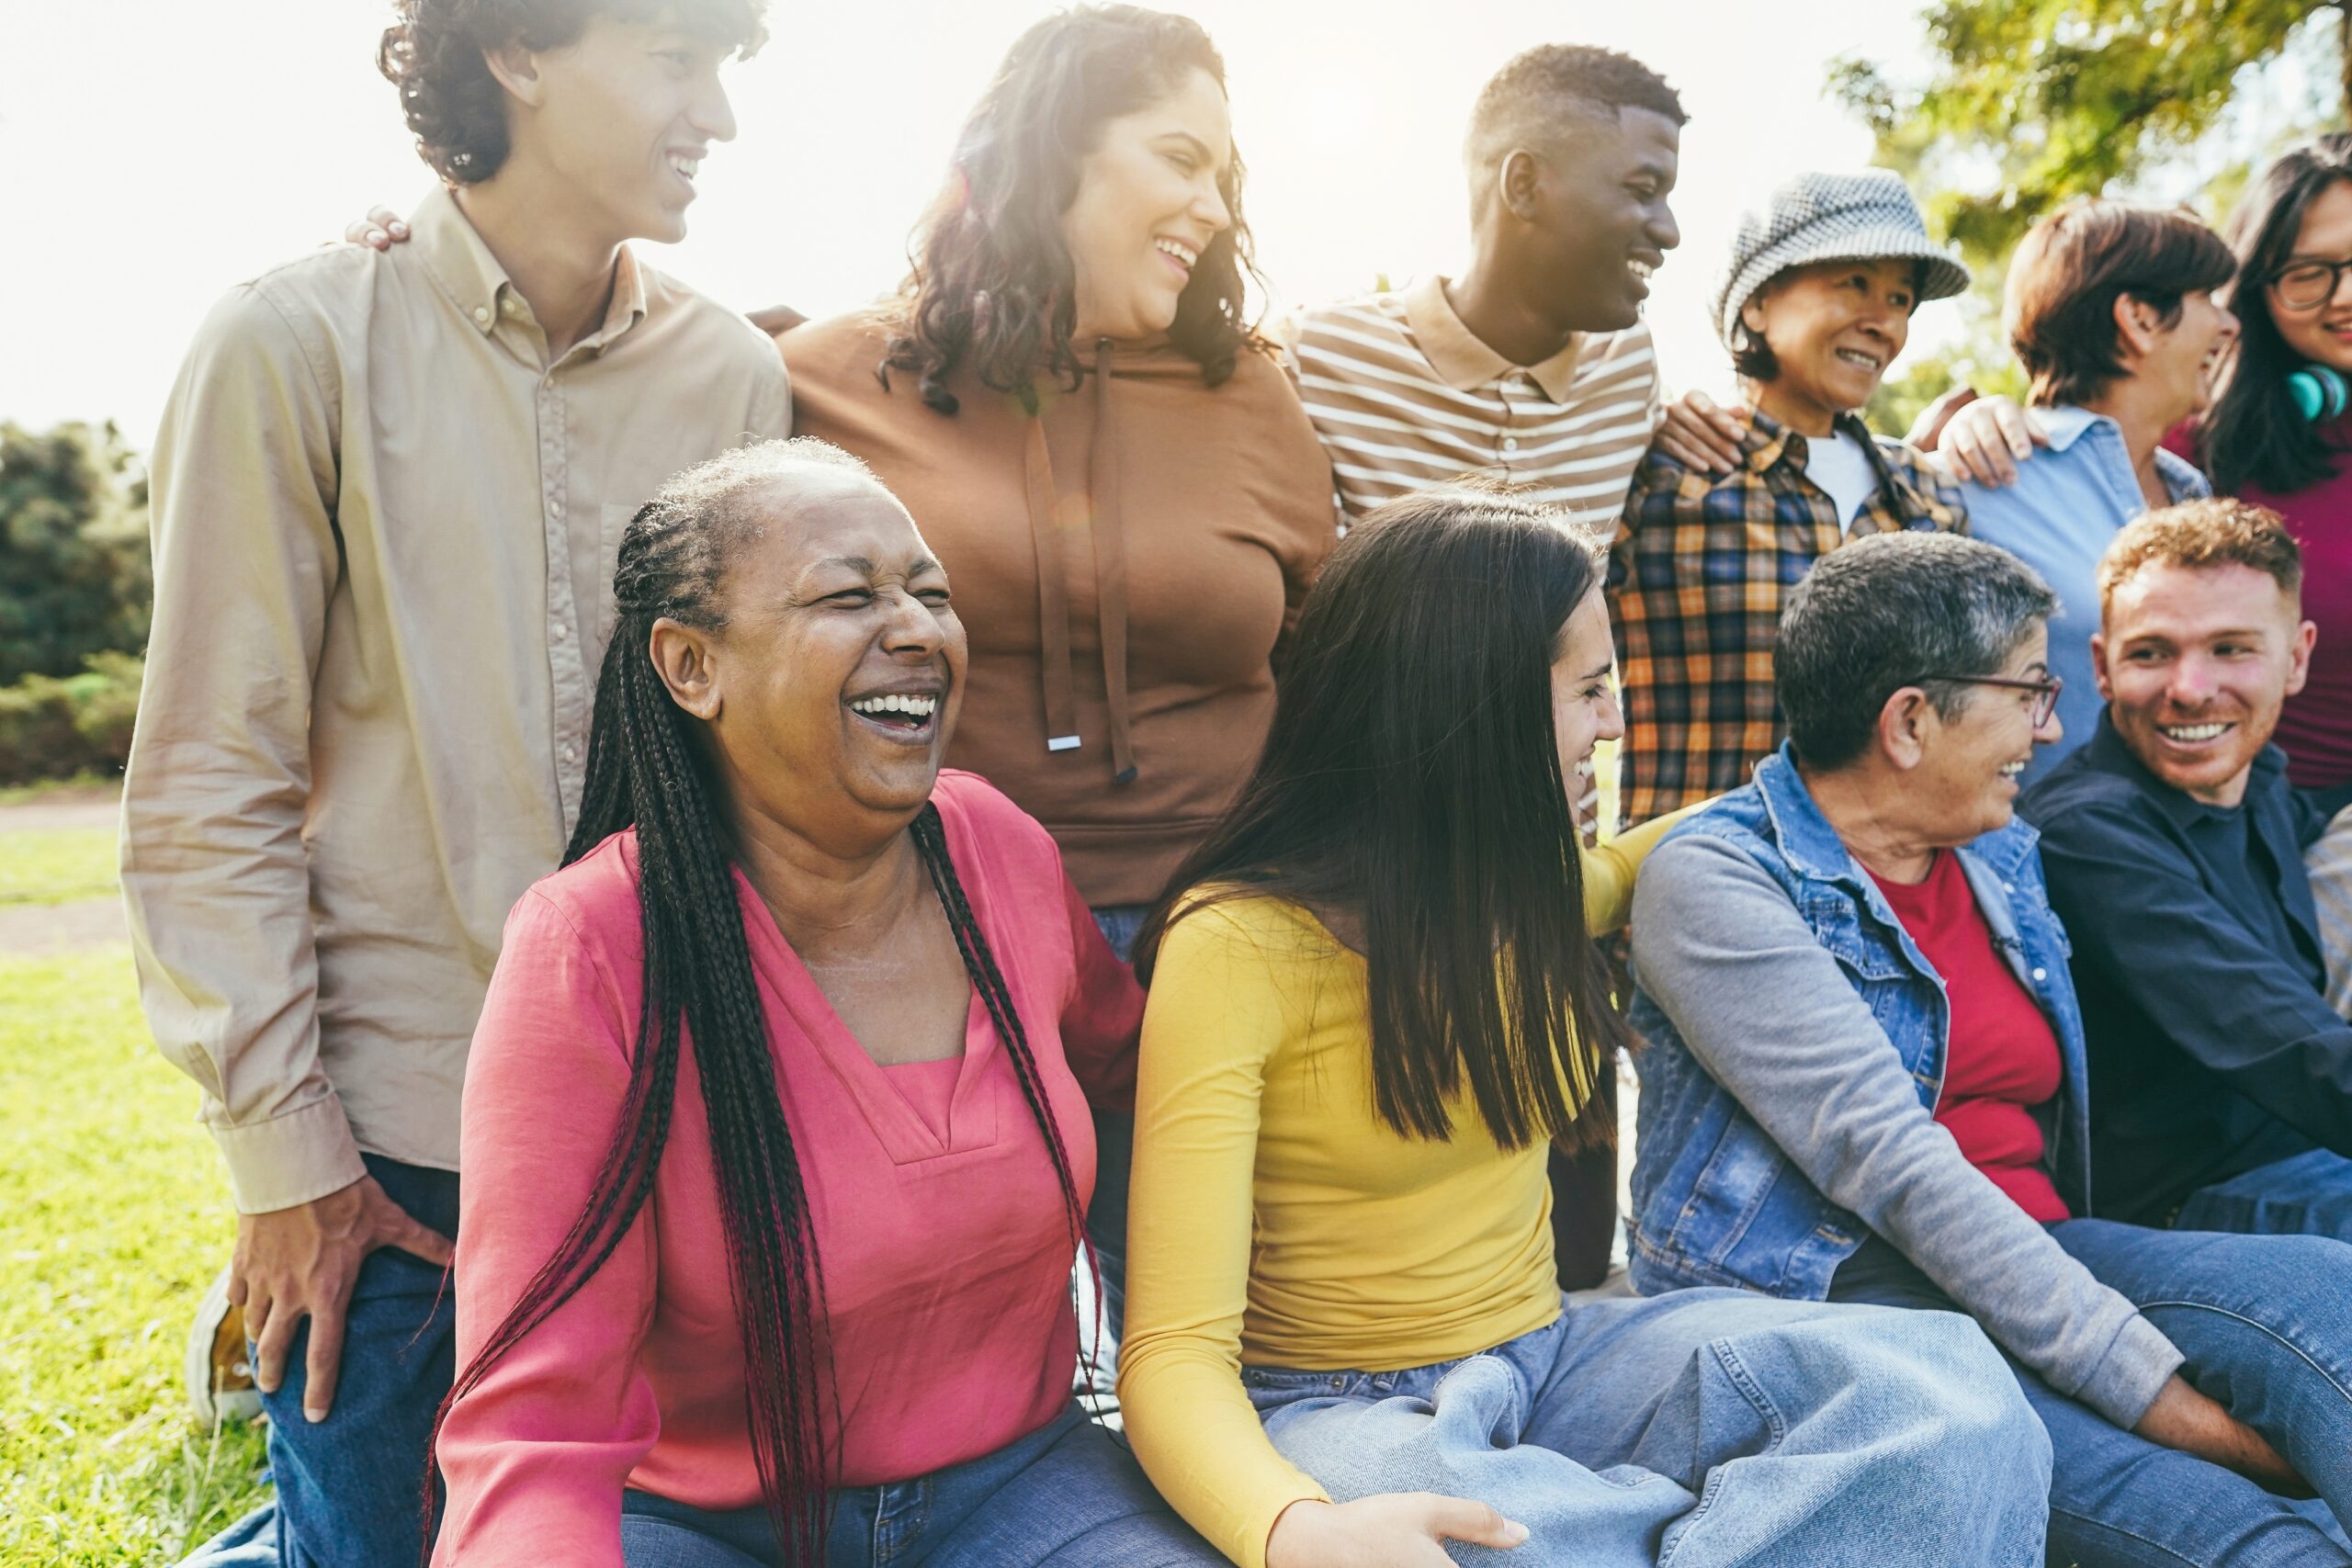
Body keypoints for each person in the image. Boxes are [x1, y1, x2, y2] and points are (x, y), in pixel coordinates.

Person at [123, 3, 786, 1562]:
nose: (721, 119)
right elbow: (209, 779)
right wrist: (289, 1169)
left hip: (665, 1125)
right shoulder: (287, 344)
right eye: (681, 61)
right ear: (518, 52)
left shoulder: (737, 379)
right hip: (395, 1166)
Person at [1118, 488, 2052, 1568]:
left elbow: (1640, 857)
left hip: (1555, 1352)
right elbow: (1172, 1354)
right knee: (1470, 1532)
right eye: (1590, 690)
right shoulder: (1234, 945)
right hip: (1342, 1416)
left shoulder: (1512, 891)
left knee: (1950, 1394)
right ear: (1473, 706)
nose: (1613, 725)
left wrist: (1853, 791)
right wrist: (1292, 1530)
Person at [435, 440, 1221, 1568]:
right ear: (691, 666)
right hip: (702, 1526)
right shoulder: (593, 946)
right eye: (849, 595)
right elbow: (535, 1414)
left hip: (1023, 1484)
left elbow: (1152, 1089)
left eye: (931, 593)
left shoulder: (997, 847)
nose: (917, 629)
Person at [775, 5, 1337, 1380]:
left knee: (1228, 1350)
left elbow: (1329, 667)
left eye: (1227, 175)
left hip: (1229, 938)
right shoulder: (827, 379)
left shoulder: (1251, 391)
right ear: (1054, 152)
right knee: (956, 1374)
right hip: (935, 948)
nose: (1214, 205)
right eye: (1178, 159)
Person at [1626, 527, 2352, 1567]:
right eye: (2027, 693)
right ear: (1911, 721)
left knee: (2331, 1294)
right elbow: (1897, 1165)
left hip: (2047, 1252)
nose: (2049, 732)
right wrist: (2165, 1405)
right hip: (1856, 1307)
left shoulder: (1998, 854)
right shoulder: (1721, 881)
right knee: (2241, 1533)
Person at [1281, 39, 1683, 1291]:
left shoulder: (1632, 374)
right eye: (1640, 187)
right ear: (1522, 182)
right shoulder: (1317, 359)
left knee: (1569, 1242)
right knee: (1394, 1227)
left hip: (1548, 884)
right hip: (1371, 896)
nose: (1668, 228)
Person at [2022, 501, 2352, 1250]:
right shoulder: (2088, 832)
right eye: (2152, 653)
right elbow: (2289, 1046)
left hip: (2306, 1154)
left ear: (2297, 658)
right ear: (2102, 667)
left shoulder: (2256, 777)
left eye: (2232, 648)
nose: (2192, 687)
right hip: (2183, 1208)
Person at [1610, 169, 1969, 830]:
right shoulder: (1665, 470)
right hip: (1696, 902)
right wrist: (1637, 415)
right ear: (1757, 303)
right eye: (1854, 282)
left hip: (1886, 912)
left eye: (1900, 297)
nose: (1881, 319)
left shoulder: (1930, 495)